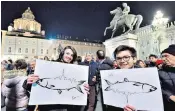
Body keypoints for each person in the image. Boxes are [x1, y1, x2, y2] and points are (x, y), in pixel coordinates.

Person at [23, 46, 89, 111]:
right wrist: (29, 81)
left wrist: (84, 88)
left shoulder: (75, 70)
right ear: (62, 53)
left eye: (72, 55)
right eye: (67, 53)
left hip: (67, 107)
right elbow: (34, 86)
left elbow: (77, 92)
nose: (69, 57)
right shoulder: (49, 65)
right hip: (49, 107)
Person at [107, 45, 141, 111]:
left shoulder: (146, 76)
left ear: (134, 59)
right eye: (119, 58)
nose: (122, 61)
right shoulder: (111, 76)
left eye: (126, 57)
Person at [158, 44, 175, 111]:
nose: (163, 59)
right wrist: (170, 96)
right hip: (169, 105)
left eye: (166, 56)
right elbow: (158, 88)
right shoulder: (160, 73)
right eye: (162, 56)